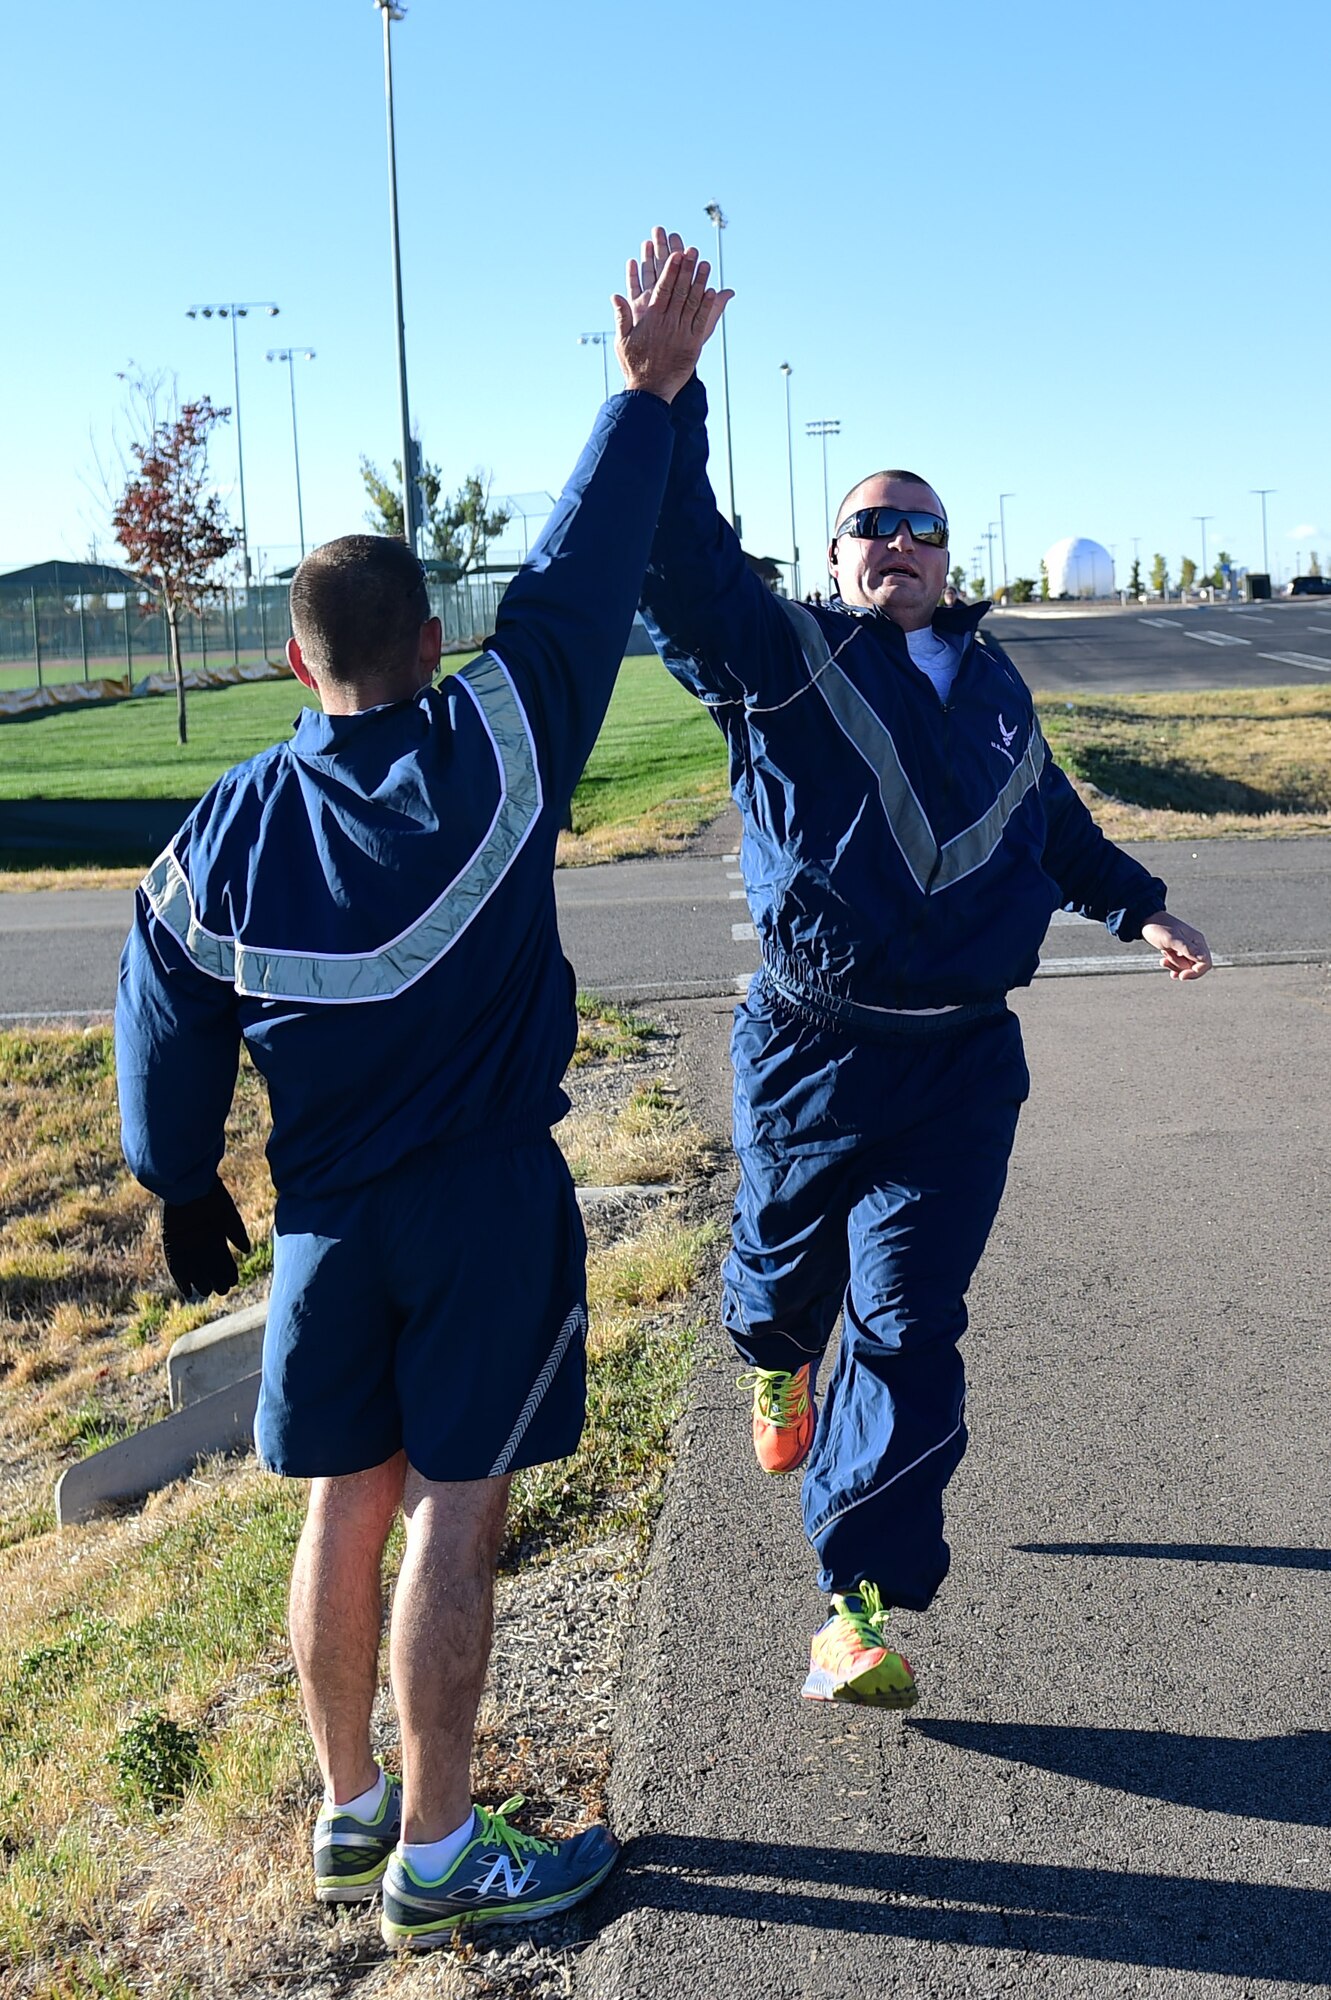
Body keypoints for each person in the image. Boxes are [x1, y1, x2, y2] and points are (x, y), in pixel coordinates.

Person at [115, 248, 729, 1946]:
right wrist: (647, 389)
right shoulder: (502, 740)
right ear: (431, 641)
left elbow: (159, 995)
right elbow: (585, 571)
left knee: (345, 1497)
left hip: (317, 1219)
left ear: (296, 666)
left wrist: (175, 1176)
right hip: (477, 1202)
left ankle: (351, 1809)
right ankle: (447, 1862)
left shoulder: (222, 834)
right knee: (459, 1504)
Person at [622, 227, 1212, 1711]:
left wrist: (1135, 905)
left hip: (959, 1067)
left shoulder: (999, 687)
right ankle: (770, 1350)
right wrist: (668, 400)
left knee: (908, 1322)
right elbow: (684, 571)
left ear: (953, 560)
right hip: (809, 1050)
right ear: (835, 560)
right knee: (779, 1279)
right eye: (870, 523)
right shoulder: (786, 660)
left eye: (922, 526)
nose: (896, 539)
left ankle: (856, 1602)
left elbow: (1052, 822)